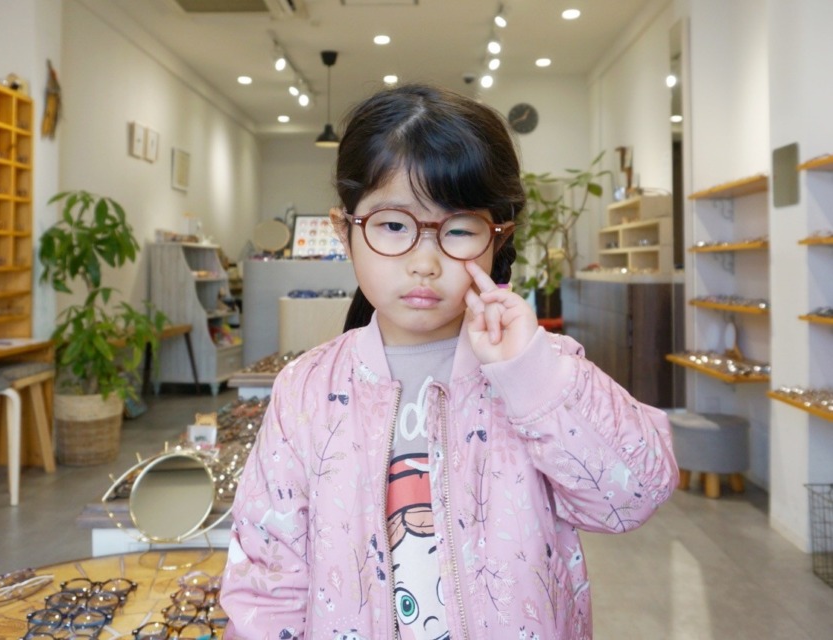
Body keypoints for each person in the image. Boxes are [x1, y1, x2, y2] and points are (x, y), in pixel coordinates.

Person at [220, 83, 678, 640]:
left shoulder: (541, 370)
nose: (425, 262)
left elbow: (633, 497)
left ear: (497, 237)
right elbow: (269, 578)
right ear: (345, 231)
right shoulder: (308, 389)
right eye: (393, 225)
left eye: (458, 230)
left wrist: (531, 377)